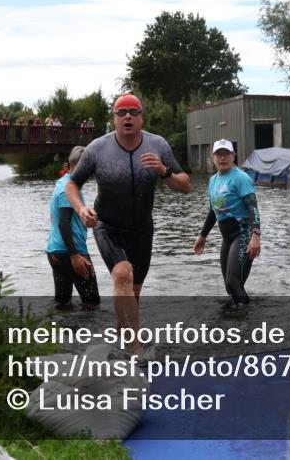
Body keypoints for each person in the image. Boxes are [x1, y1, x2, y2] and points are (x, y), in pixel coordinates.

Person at [66, 93, 191, 354]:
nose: (127, 117)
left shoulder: (158, 145)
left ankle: (122, 333)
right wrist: (81, 209)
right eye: (121, 112)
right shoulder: (97, 149)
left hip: (142, 229)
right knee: (122, 275)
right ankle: (135, 348)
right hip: (107, 225)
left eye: (133, 112)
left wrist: (164, 171)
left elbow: (185, 185)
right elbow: (72, 184)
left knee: (132, 291)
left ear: (141, 117)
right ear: (114, 119)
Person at [193, 139, 262, 306]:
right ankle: (238, 316)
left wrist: (256, 236)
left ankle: (247, 318)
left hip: (243, 234)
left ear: (233, 156)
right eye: (219, 154)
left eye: (226, 154)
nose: (222, 158)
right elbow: (213, 211)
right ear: (213, 157)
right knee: (229, 286)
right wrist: (202, 236)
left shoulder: (240, 178)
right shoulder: (213, 181)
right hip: (227, 238)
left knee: (233, 283)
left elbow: (253, 207)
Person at [46, 146, 99, 310]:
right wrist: (75, 256)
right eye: (87, 168)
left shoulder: (62, 184)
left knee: (63, 305)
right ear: (74, 166)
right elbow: (63, 222)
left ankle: (60, 327)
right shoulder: (67, 189)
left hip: (55, 252)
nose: (89, 173)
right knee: (92, 304)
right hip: (72, 252)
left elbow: (63, 218)